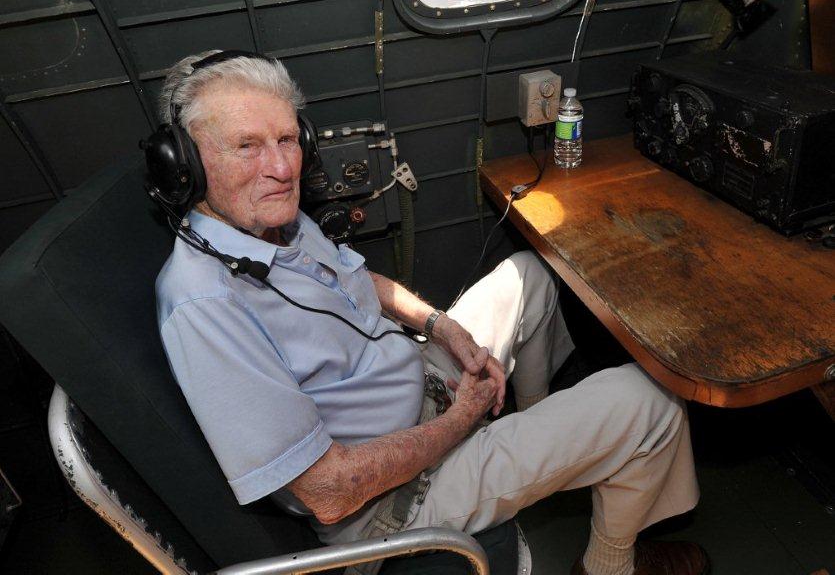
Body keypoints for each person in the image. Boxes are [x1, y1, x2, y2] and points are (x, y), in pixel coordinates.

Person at [154, 50, 707, 575]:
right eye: (246, 147)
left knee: (530, 275)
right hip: (394, 499)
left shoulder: (271, 223)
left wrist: (443, 327)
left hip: (422, 391)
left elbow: (356, 282)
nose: (280, 167)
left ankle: (541, 436)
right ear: (186, 165)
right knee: (653, 400)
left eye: (285, 139)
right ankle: (610, 564)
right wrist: (462, 418)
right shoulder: (204, 305)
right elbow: (327, 491)